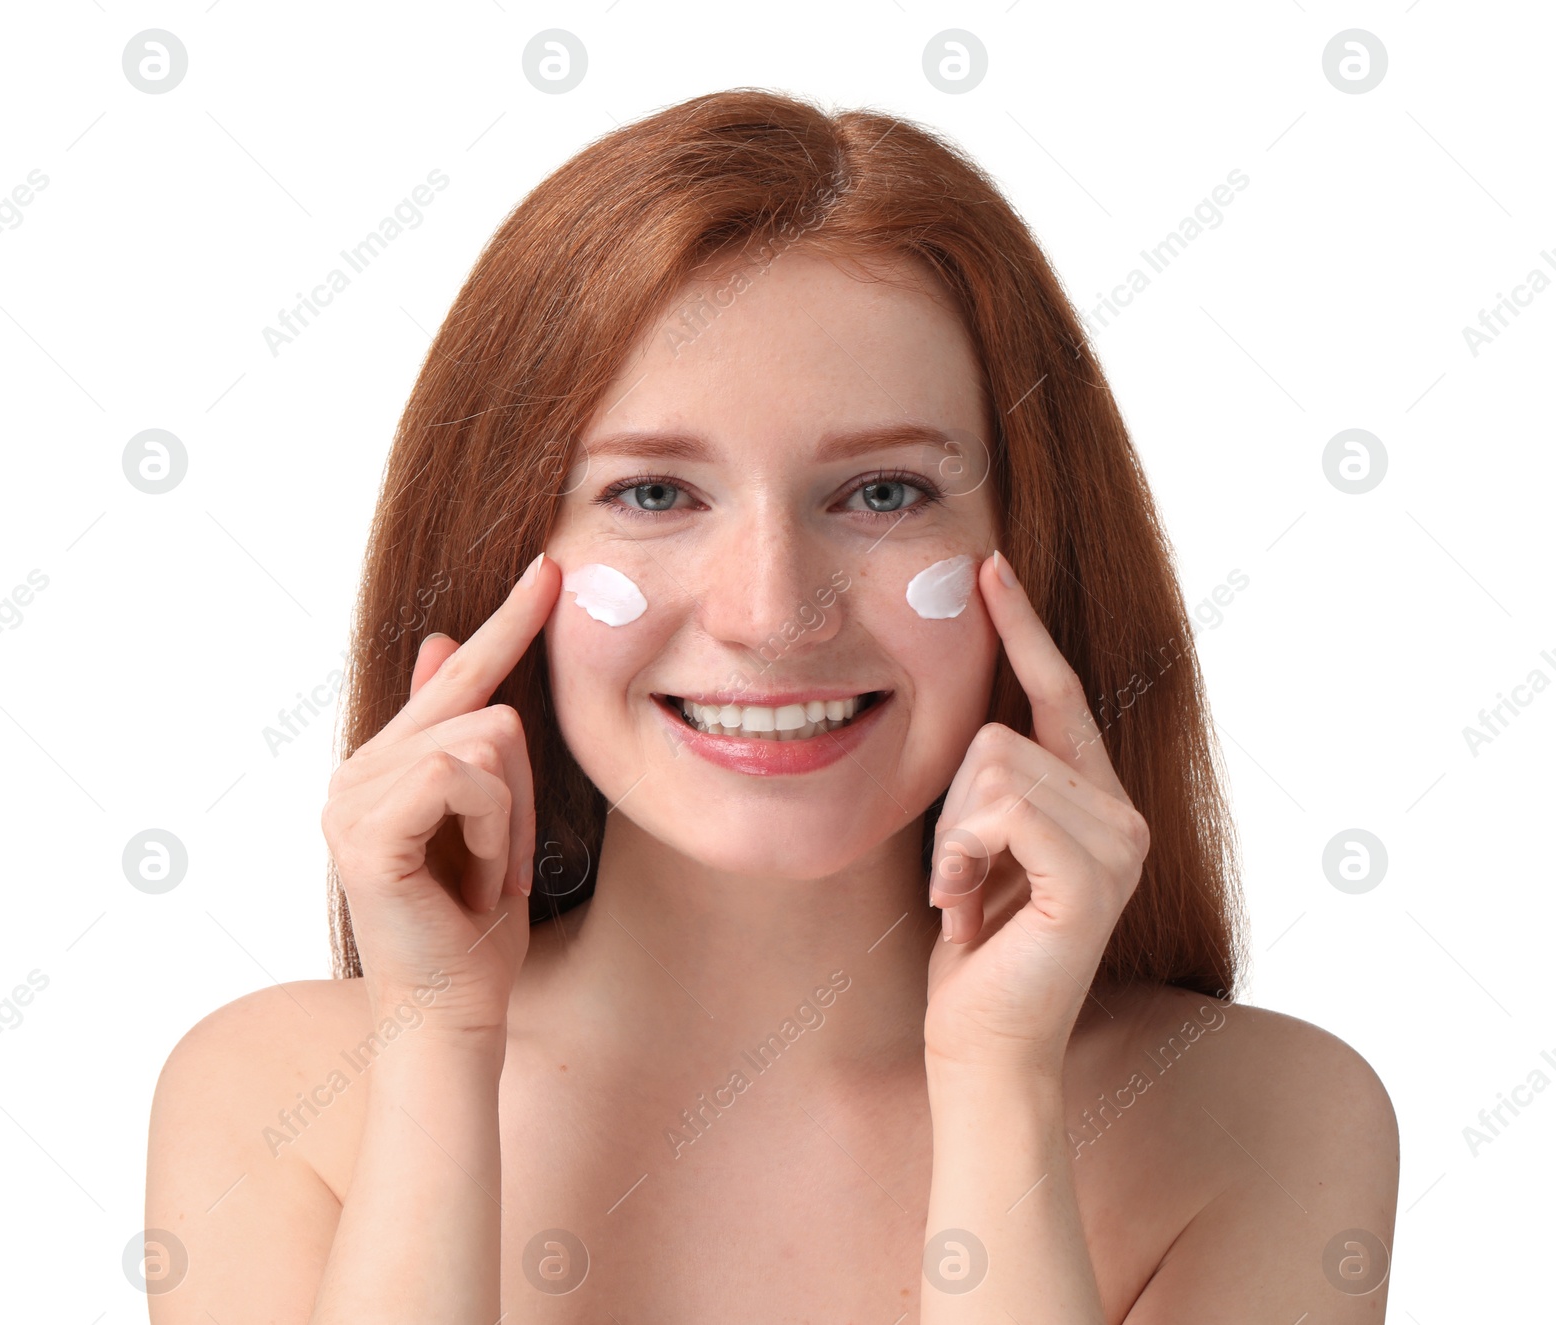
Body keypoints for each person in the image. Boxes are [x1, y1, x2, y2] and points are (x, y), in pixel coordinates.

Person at [145, 89, 1399, 1321]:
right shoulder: (273, 1096)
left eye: (884, 493)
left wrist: (997, 1086)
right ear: (498, 556)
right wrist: (433, 1040)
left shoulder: (1267, 1119)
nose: (769, 609)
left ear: (1037, 546)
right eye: (652, 495)